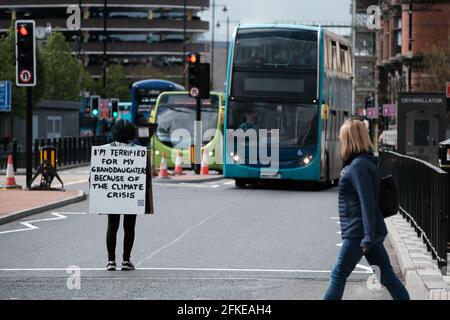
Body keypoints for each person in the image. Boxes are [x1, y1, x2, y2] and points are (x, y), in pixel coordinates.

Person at [323, 118, 410, 300]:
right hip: (368, 231)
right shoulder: (364, 162)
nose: (340, 141)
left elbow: (367, 202)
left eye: (342, 137)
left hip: (359, 233)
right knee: (387, 278)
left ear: (349, 139)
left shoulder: (358, 167)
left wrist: (368, 237)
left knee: (338, 274)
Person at [105, 120, 139, 271]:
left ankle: (111, 261)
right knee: (129, 227)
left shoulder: (104, 151)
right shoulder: (138, 151)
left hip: (112, 194)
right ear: (131, 134)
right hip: (131, 194)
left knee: (112, 226)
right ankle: (126, 260)